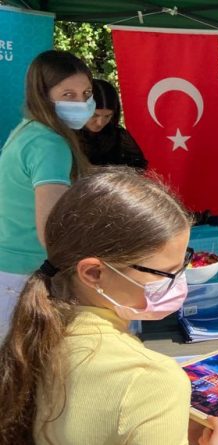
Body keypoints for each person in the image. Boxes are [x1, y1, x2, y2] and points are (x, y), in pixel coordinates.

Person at [0, 167, 218, 444]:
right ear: (93, 273)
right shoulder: (152, 380)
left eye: (184, 263)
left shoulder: (27, 338)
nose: (179, 282)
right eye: (165, 273)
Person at [0, 50, 94, 340]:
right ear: (44, 95)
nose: (81, 103)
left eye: (86, 94)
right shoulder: (49, 143)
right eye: (68, 95)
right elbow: (52, 231)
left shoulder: (28, 131)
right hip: (26, 275)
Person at [79, 78, 148, 170]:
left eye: (107, 116)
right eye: (94, 115)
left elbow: (139, 166)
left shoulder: (118, 136)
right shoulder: (65, 134)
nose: (100, 123)